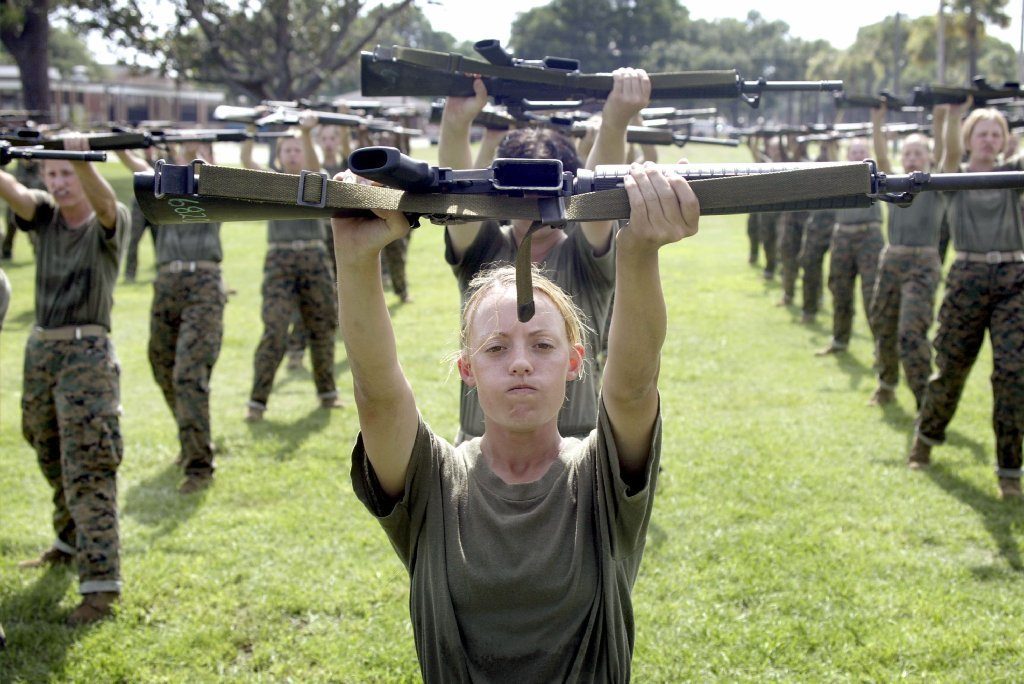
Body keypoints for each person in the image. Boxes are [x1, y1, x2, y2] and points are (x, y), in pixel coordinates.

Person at [336, 160, 699, 681]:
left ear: (576, 363)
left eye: (543, 345)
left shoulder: (599, 481)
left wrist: (638, 250)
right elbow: (379, 396)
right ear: (468, 370)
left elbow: (633, 386)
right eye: (496, 347)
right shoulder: (435, 483)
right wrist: (354, 260)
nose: (521, 361)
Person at [438, 70, 648, 444]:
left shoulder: (584, 255)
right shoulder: (484, 247)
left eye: (545, 189)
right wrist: (455, 124)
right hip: (480, 447)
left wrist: (614, 122)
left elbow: (596, 202)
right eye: (520, 189)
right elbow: (458, 201)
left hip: (572, 447)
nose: (532, 202)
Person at [1, 134, 129, 626]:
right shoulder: (44, 215)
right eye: (51, 173)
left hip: (87, 354)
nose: (58, 182)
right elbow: (13, 190)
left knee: (89, 464)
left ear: (84, 173)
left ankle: (101, 587)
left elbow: (104, 203)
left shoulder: (107, 218)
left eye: (67, 173)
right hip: (41, 350)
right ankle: (69, 538)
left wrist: (82, 158)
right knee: (45, 443)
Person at [908, 105, 1024, 500]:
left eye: (997, 133)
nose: (990, 140)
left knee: (1012, 373)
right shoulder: (957, 177)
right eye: (982, 133)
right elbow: (949, 155)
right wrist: (954, 115)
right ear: (969, 139)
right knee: (952, 367)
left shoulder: (1016, 173)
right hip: (968, 278)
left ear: (1006, 140)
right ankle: (925, 438)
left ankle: (1010, 469)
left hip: (1014, 279)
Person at [117, 145, 226, 493]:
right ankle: (190, 436)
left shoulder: (216, 188)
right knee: (161, 362)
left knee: (188, 373)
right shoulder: (161, 188)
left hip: (204, 283)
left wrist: (198, 159)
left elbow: (211, 174)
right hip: (166, 283)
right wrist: (122, 146)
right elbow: (137, 167)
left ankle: (199, 467)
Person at [241, 113, 344, 421]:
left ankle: (328, 394)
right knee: (274, 329)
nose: (292, 154)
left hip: (314, 258)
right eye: (287, 149)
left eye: (297, 148)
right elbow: (246, 158)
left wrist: (307, 133)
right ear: (278, 154)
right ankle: (256, 403)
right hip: (279, 261)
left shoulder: (313, 179)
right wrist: (249, 128)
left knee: (321, 327)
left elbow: (316, 166)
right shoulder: (270, 181)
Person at [865, 106, 948, 408]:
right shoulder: (894, 186)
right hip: (892, 260)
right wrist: (877, 122)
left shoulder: (935, 186)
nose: (913, 158)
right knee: (882, 324)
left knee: (910, 332)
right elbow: (882, 159)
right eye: (908, 153)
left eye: (919, 153)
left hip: (922, 263)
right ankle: (886, 383)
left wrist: (939, 121)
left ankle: (924, 403)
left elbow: (944, 154)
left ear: (928, 159)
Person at [816, 138, 885, 355]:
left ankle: (880, 349)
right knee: (840, 290)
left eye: (862, 151)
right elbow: (829, 159)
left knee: (871, 295)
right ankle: (839, 340)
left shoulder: (876, 178)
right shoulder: (840, 177)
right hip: (843, 237)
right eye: (854, 151)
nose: (857, 155)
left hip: (869, 238)